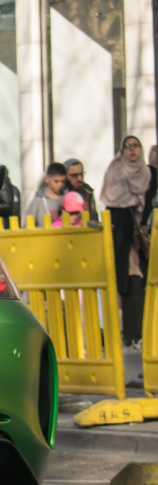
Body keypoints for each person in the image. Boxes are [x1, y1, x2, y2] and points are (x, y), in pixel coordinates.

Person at [100, 135, 150, 346]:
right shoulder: (115, 170)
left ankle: (142, 333)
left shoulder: (148, 172)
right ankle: (131, 333)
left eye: (136, 146)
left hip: (144, 234)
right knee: (128, 281)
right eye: (127, 146)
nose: (132, 150)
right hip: (122, 234)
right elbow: (111, 203)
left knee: (144, 281)